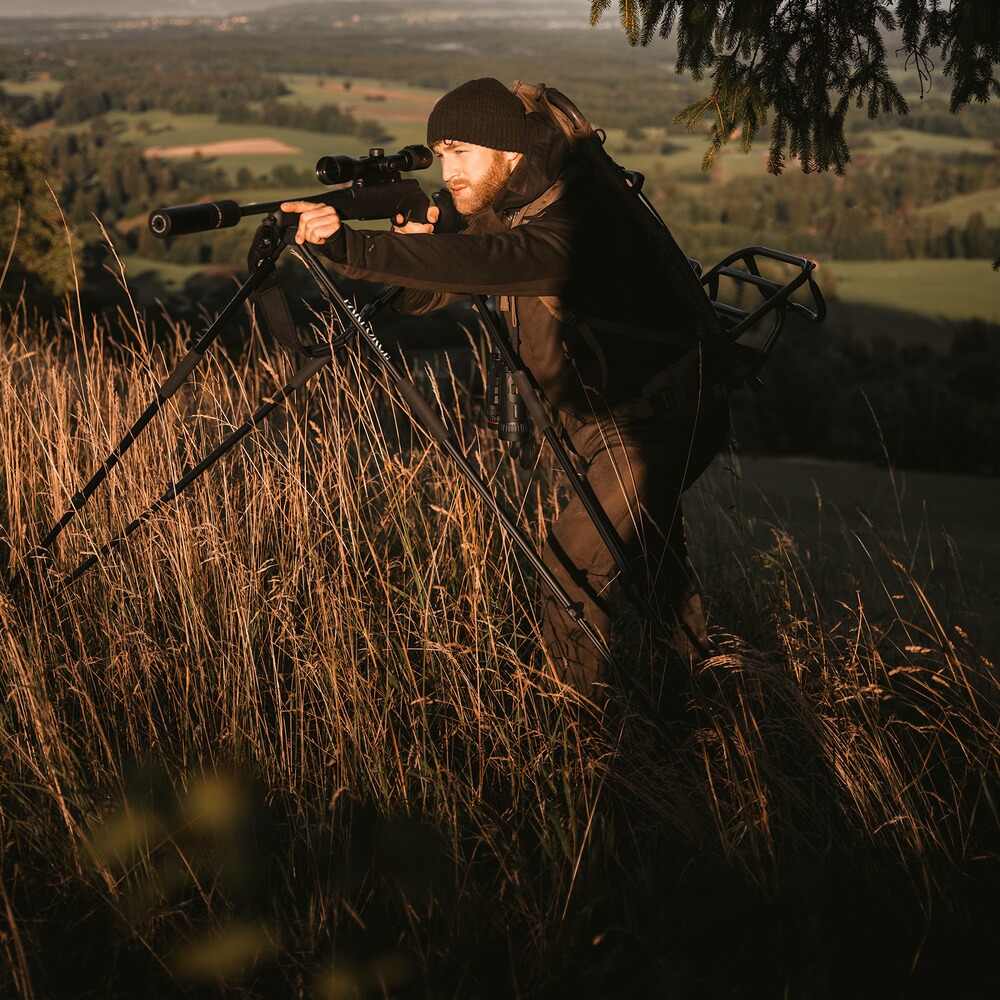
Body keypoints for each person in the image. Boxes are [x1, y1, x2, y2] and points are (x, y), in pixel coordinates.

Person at [281, 78, 730, 702]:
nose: (450, 169)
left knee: (569, 574)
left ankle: (579, 743)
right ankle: (702, 701)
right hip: (612, 417)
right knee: (655, 568)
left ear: (510, 152)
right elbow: (439, 284)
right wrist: (424, 239)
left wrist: (351, 246)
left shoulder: (578, 218)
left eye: (462, 151)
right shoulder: (522, 197)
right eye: (442, 154)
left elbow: (488, 263)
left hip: (651, 422)